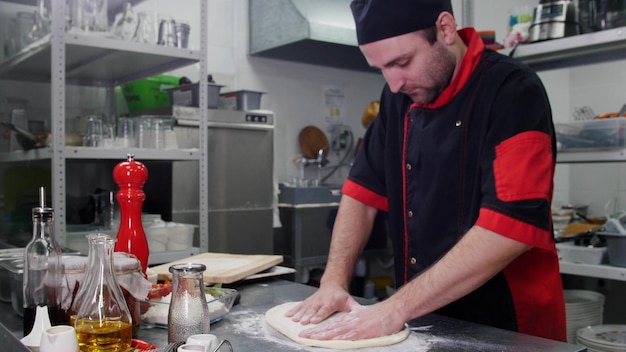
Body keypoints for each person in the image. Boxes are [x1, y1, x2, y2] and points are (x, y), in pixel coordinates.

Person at [286, 0, 567, 343]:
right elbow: (361, 193)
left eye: (401, 62)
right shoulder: (398, 100)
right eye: (381, 69)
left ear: (445, 29)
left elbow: (509, 230)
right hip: (426, 321)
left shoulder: (513, 92)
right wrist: (333, 282)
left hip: (508, 328)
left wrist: (394, 308)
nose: (393, 84)